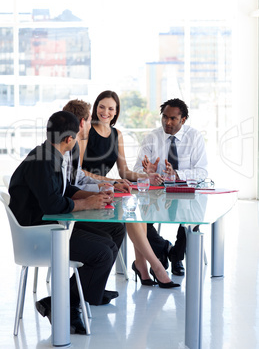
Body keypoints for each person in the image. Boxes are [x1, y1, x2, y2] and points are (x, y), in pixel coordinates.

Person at [8, 110, 125, 335]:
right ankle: (64, 304)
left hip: (52, 227)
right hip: (40, 236)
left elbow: (64, 190)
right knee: (103, 253)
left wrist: (95, 197)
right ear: (69, 139)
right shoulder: (43, 161)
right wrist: (88, 204)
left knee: (113, 232)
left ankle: (80, 295)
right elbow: (53, 205)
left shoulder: (51, 154)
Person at [81, 91, 179, 288]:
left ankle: (142, 267)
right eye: (102, 107)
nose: (105, 112)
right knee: (130, 213)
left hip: (107, 188)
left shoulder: (117, 134)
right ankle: (156, 267)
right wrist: (112, 181)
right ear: (95, 108)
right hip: (86, 187)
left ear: (116, 112)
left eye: (111, 108)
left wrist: (146, 176)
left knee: (136, 211)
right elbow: (80, 171)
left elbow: (124, 171)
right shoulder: (86, 131)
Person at [133, 98, 208, 276]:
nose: (168, 122)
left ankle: (177, 257)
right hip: (156, 193)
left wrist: (178, 175)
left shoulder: (195, 137)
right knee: (138, 221)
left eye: (173, 118)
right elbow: (137, 169)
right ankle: (165, 248)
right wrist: (147, 174)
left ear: (183, 119)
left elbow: (202, 171)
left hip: (185, 191)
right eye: (164, 117)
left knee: (193, 218)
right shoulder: (152, 137)